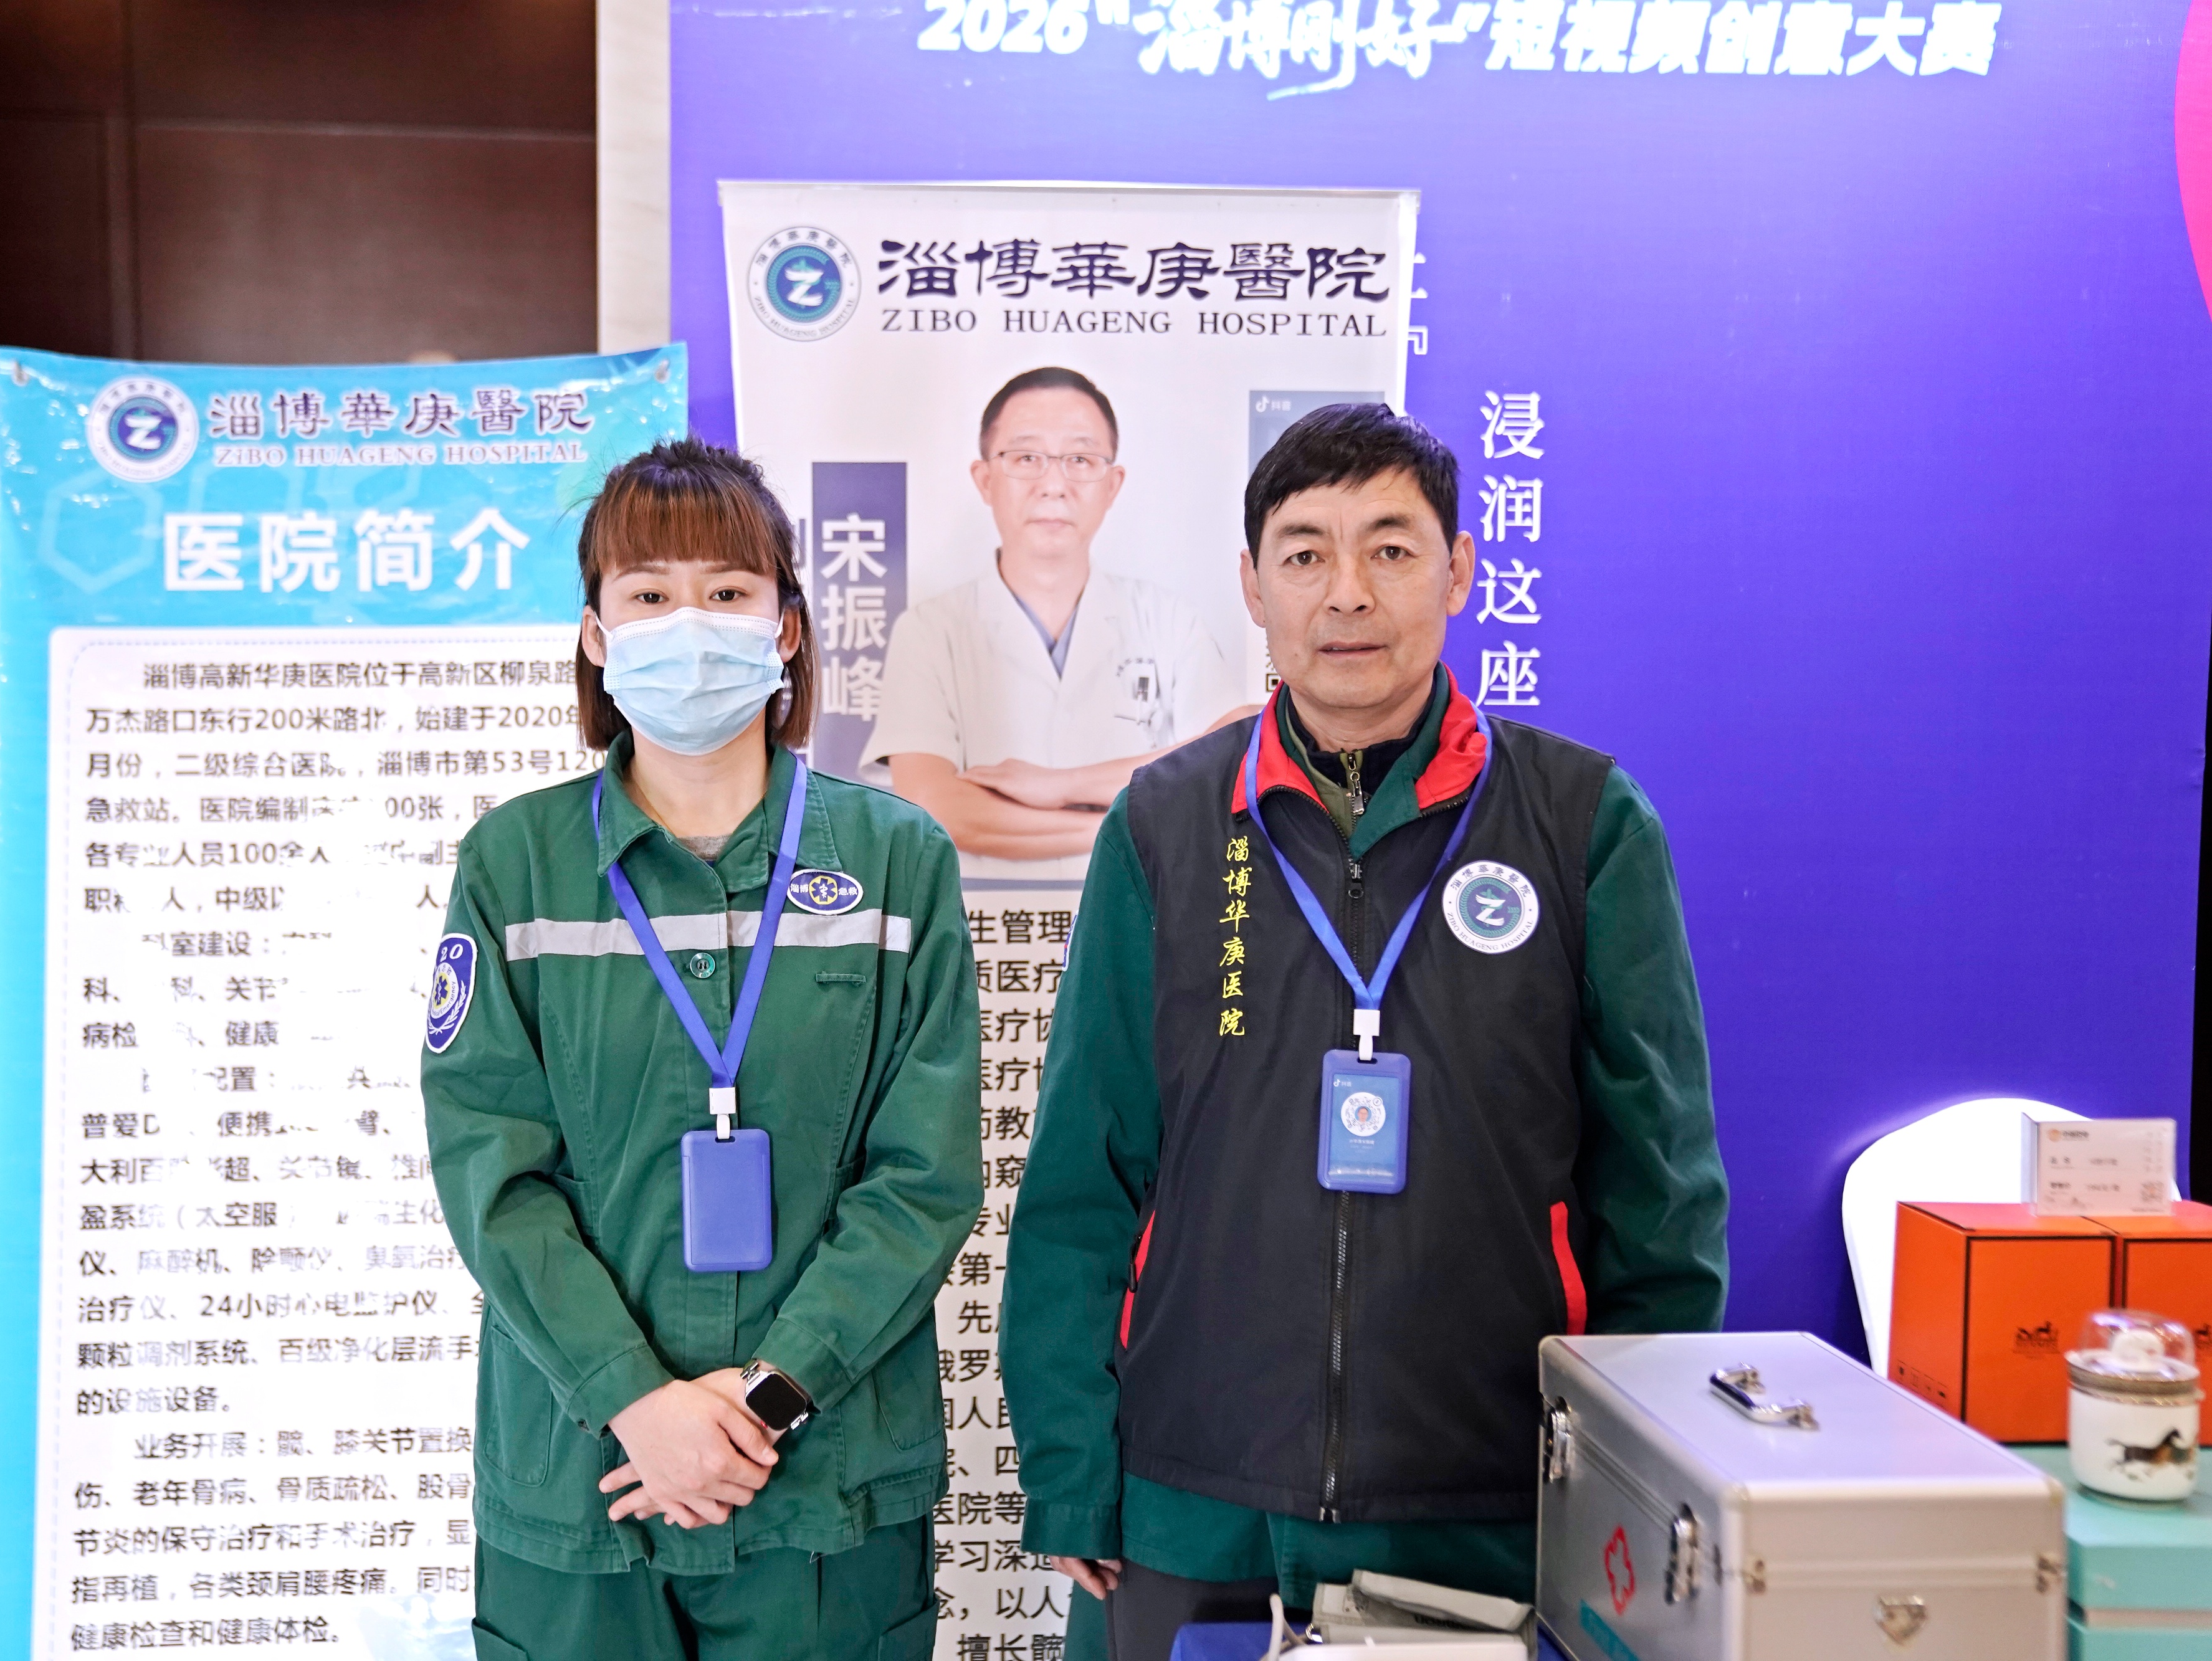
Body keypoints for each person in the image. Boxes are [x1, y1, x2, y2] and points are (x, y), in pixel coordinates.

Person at [997, 404, 1730, 1661]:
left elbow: (1658, 1197)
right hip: (1187, 1501)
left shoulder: (1583, 823)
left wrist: (1622, 1479)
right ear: (1251, 585)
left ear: (1458, 571)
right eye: (1305, 553)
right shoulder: (1164, 825)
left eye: (1390, 549)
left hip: (1481, 1511)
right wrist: (1072, 1471)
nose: (1346, 592)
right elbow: (1084, 1172)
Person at [422, 437, 982, 1661]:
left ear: (787, 628)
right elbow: (492, 1173)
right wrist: (634, 1397)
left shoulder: (896, 863)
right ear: (596, 634)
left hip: (826, 1480)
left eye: (727, 591)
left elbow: (923, 1175)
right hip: (585, 1478)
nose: (689, 624)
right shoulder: (515, 866)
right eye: (649, 593)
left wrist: (771, 1394)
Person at [865, 366, 1256, 878]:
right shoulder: (929, 630)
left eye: (1080, 459)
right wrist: (1140, 824)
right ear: (984, 479)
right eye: (1026, 458)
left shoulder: (1167, 618)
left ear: (1113, 485)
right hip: (985, 918)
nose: (1054, 485)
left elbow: (1239, 749)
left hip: (1139, 913)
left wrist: (1061, 785)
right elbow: (935, 806)